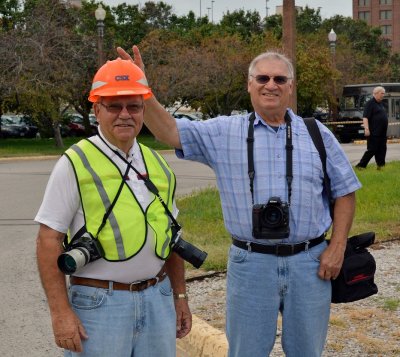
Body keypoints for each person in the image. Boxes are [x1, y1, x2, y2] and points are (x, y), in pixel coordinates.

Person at [118, 46, 362, 357]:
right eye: (262, 77)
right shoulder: (224, 132)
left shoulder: (317, 134)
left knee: (308, 352)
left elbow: (345, 192)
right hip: (251, 263)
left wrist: (337, 248)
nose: (270, 85)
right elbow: (169, 131)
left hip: (310, 262)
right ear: (249, 84)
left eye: (279, 78)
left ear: (290, 86)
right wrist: (141, 87)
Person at [35, 58, 191, 357]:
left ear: (144, 109)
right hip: (99, 305)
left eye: (133, 106)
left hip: (157, 297)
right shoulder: (75, 162)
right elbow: (48, 240)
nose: (124, 115)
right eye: (113, 107)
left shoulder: (157, 163)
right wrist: (60, 313)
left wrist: (179, 296)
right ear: (97, 110)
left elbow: (172, 238)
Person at [356, 86, 388, 169]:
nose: (383, 95)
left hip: (382, 133)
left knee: (382, 149)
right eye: (382, 93)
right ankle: (361, 166)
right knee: (372, 149)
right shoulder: (370, 103)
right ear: (376, 93)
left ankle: (381, 166)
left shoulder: (381, 103)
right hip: (374, 132)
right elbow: (365, 117)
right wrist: (366, 129)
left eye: (383, 93)